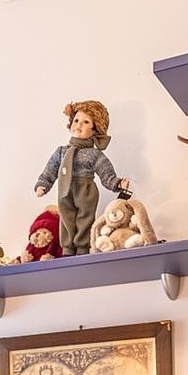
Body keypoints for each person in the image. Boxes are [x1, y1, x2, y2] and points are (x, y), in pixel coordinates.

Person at [33, 100, 130, 259]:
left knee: (85, 218)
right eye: (76, 120)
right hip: (64, 190)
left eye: (86, 122)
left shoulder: (94, 154)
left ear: (95, 129)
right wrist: (43, 184)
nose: (79, 125)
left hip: (85, 190)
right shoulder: (61, 152)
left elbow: (105, 171)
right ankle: (67, 249)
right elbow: (50, 170)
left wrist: (117, 183)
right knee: (66, 218)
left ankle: (83, 248)